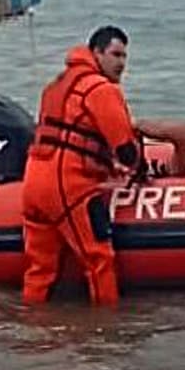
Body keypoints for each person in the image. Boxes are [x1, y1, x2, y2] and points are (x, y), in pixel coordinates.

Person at [21, 26, 141, 306]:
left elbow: (67, 133)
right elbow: (125, 148)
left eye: (125, 56)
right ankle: (105, 333)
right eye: (116, 55)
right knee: (99, 260)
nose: (121, 63)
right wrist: (133, 167)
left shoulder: (56, 86)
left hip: (34, 181)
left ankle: (34, 332)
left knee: (41, 269)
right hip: (68, 186)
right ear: (96, 53)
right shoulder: (100, 89)